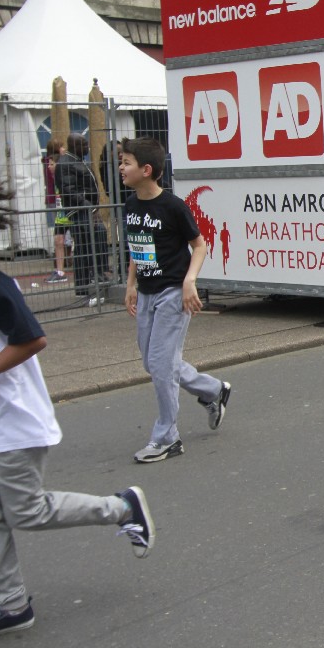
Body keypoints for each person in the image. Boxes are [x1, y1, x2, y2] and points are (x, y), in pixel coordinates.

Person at [0, 165, 154, 648]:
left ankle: (121, 507)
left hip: (16, 422)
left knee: (27, 511)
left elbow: (32, 340)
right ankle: (10, 606)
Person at [120, 137, 231, 463]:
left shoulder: (173, 207)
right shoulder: (131, 205)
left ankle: (167, 438)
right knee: (154, 363)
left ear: (146, 169)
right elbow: (137, 246)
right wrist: (131, 283)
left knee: (161, 365)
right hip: (146, 292)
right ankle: (213, 390)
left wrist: (189, 281)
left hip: (172, 294)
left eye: (126, 162)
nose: (121, 168)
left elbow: (200, 245)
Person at [55, 134, 110, 299]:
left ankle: (95, 275)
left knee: (93, 240)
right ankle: (85, 283)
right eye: (84, 145)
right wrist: (87, 206)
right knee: (84, 245)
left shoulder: (78, 160)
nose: (87, 148)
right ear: (75, 146)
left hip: (88, 210)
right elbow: (68, 189)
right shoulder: (66, 163)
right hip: (80, 211)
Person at [43, 138, 69, 284]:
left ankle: (87, 269)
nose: (49, 166)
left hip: (71, 210)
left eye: (51, 164)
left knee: (78, 238)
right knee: (58, 239)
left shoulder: (66, 173)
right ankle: (60, 271)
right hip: (60, 212)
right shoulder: (52, 174)